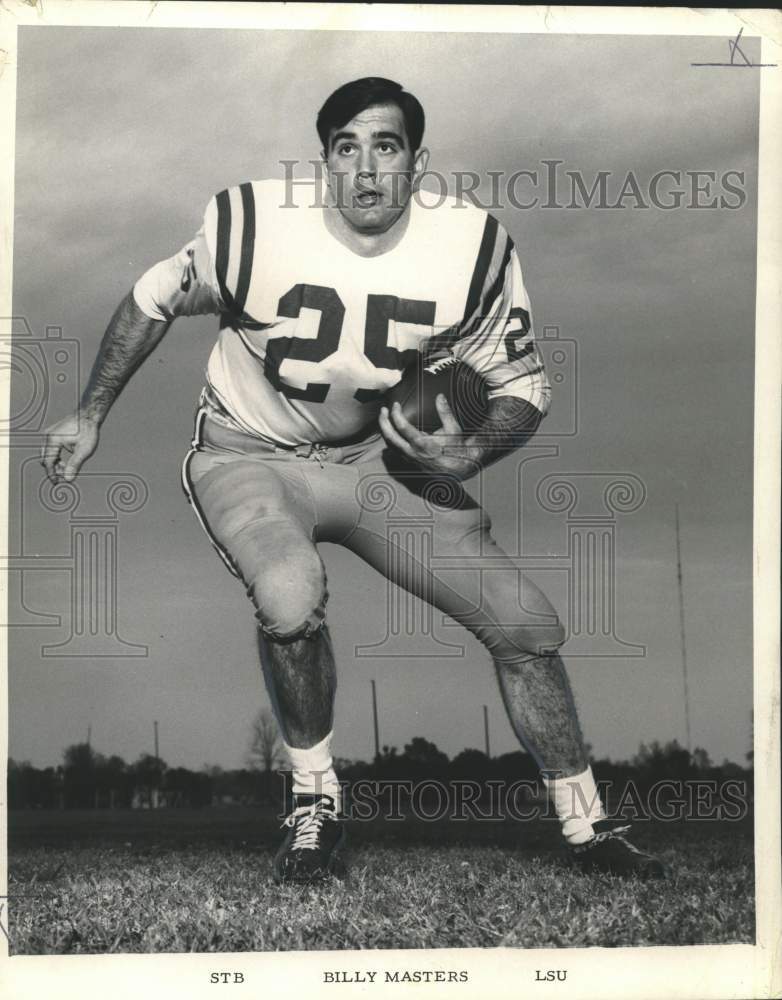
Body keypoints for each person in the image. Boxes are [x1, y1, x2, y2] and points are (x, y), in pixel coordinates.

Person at [41, 77, 665, 883]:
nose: (367, 169)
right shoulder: (253, 225)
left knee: (525, 624)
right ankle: (314, 803)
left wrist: (469, 454)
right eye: (347, 147)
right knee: (290, 596)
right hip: (248, 453)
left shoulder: (471, 247)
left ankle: (588, 826)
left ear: (417, 162)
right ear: (323, 161)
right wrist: (90, 414)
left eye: (387, 146)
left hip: (376, 464)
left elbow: (525, 387)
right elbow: (151, 298)